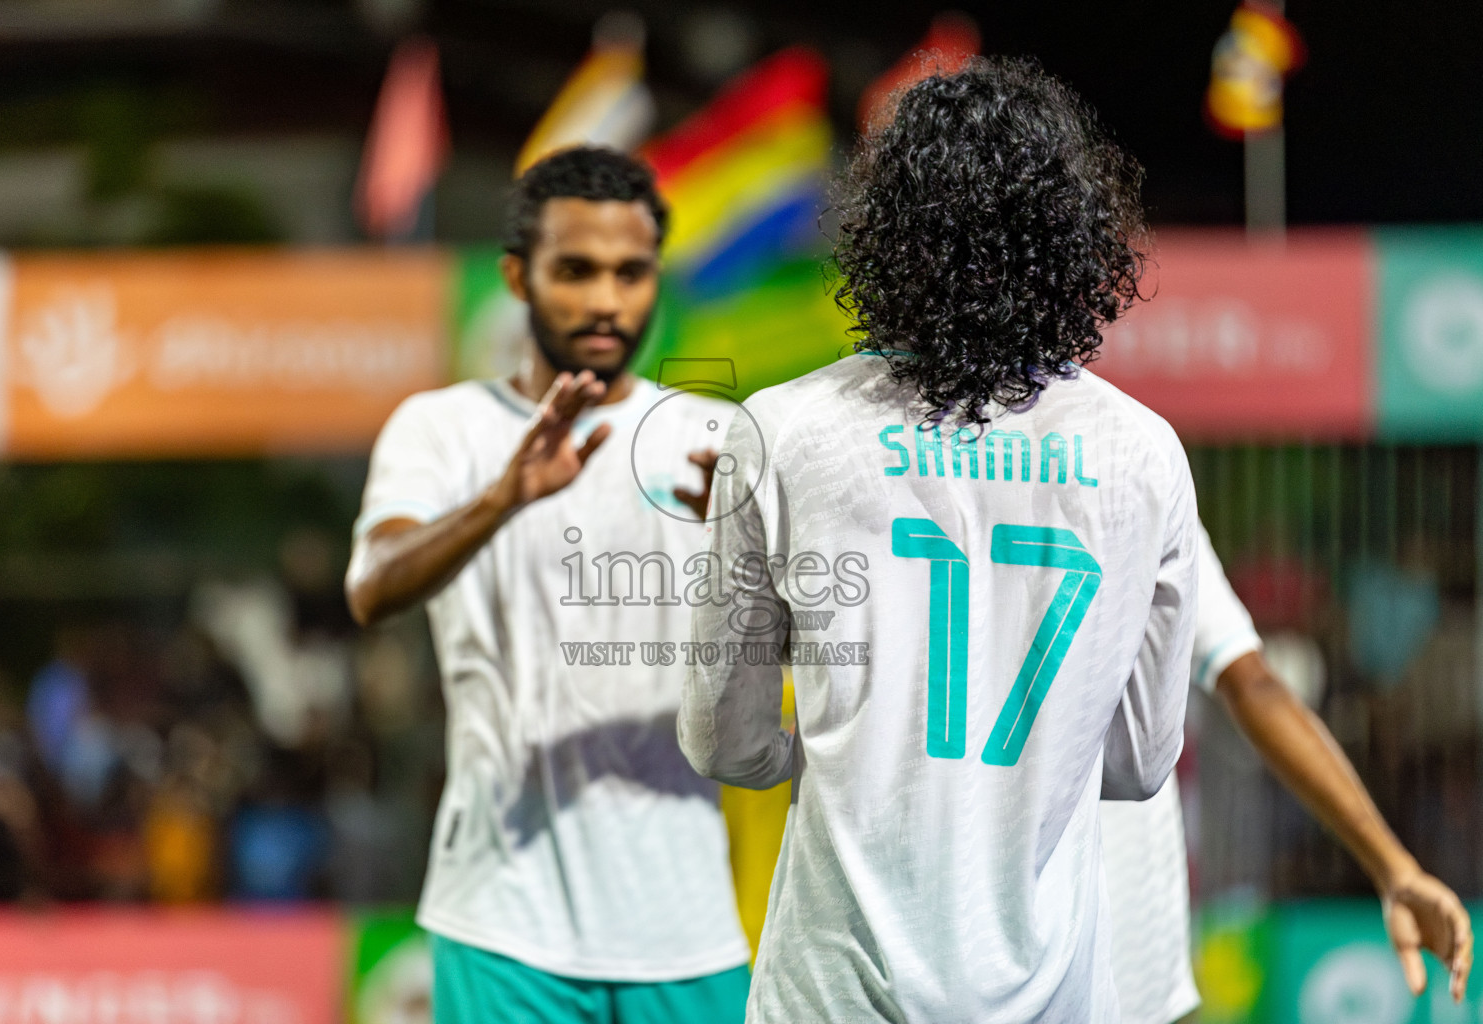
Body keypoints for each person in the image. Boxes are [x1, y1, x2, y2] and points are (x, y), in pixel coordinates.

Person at [679, 58, 1198, 1022]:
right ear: (1074, 239)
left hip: (829, 993)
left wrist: (824, 753)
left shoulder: (781, 430)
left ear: (887, 236)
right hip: (1050, 997)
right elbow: (1137, 761)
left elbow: (723, 737)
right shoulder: (1142, 453)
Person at [345, 146, 750, 1024]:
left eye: (631, 272)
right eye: (575, 270)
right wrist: (501, 499)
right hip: (501, 921)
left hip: (686, 924)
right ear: (516, 278)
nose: (606, 300)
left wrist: (759, 563)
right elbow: (372, 587)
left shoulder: (716, 438)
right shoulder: (442, 429)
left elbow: (808, 656)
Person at [1101, 524, 1474, 1023]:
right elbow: (1255, 687)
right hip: (1124, 950)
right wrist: (1394, 868)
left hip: (1012, 937)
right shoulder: (1146, 471)